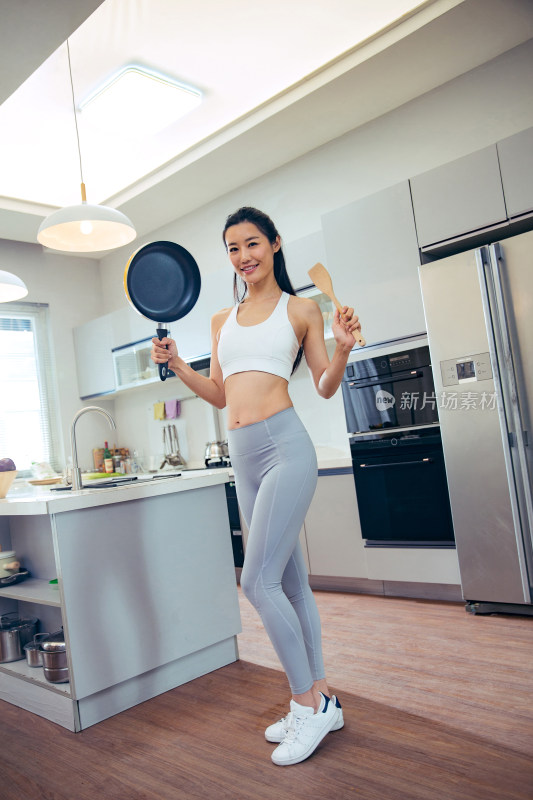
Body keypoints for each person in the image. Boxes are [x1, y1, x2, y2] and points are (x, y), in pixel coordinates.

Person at [151, 207, 362, 766]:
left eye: (252, 244)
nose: (243, 257)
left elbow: (322, 386)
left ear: (274, 243)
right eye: (232, 248)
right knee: (290, 583)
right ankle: (324, 699)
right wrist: (177, 366)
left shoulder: (301, 309)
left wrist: (340, 348)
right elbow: (220, 393)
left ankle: (305, 704)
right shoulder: (223, 320)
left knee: (256, 581)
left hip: (286, 447)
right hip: (242, 456)